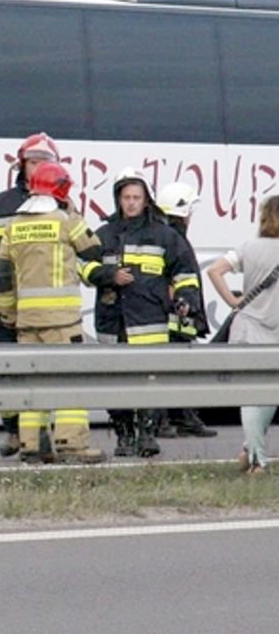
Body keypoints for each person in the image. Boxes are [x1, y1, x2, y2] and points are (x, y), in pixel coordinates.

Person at [0, 162, 105, 464]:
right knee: (69, 378)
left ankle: (31, 443)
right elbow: (94, 249)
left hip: (26, 320)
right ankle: (70, 442)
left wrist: (7, 311)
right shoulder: (66, 220)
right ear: (62, 190)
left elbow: (1, 273)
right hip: (62, 320)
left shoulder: (14, 225)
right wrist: (74, 211)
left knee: (32, 380)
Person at [83, 168, 201, 459]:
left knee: (150, 380)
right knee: (115, 383)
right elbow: (79, 267)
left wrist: (186, 299)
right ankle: (124, 435)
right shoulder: (103, 234)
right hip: (112, 320)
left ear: (146, 199)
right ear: (118, 199)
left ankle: (147, 435)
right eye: (126, 197)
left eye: (137, 197)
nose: (132, 203)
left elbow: (185, 272)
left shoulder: (164, 235)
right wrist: (108, 274)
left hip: (149, 320)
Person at [0, 133, 60, 458]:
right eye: (32, 162)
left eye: (43, 162)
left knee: (39, 372)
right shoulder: (3, 203)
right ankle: (13, 431)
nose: (37, 168)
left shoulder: (61, 203)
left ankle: (38, 436)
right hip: (1, 304)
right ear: (22, 165)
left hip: (40, 308)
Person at [206, 195, 279, 474]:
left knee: (250, 394)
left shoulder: (249, 248)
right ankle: (256, 458)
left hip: (248, 328)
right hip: (276, 331)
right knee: (270, 393)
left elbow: (215, 270)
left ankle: (251, 451)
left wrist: (233, 302)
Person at [155, 182, 217, 439]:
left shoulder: (168, 235)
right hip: (175, 316)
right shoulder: (174, 239)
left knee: (180, 368)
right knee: (174, 368)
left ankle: (183, 417)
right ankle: (171, 419)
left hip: (177, 316)